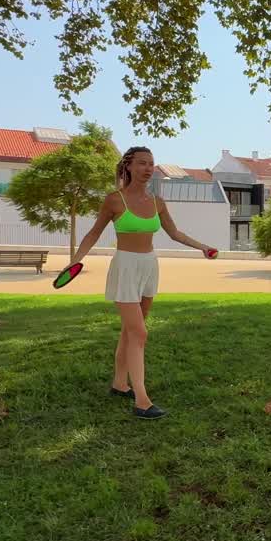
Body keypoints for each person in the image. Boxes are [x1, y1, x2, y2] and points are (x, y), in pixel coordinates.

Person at [68, 146, 215, 419]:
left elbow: (174, 232)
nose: (148, 169)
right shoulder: (115, 200)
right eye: (142, 163)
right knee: (140, 333)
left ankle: (119, 383)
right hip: (125, 267)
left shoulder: (157, 202)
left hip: (149, 266)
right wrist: (76, 260)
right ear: (129, 167)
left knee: (130, 331)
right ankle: (142, 400)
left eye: (151, 164)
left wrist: (203, 247)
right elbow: (93, 233)